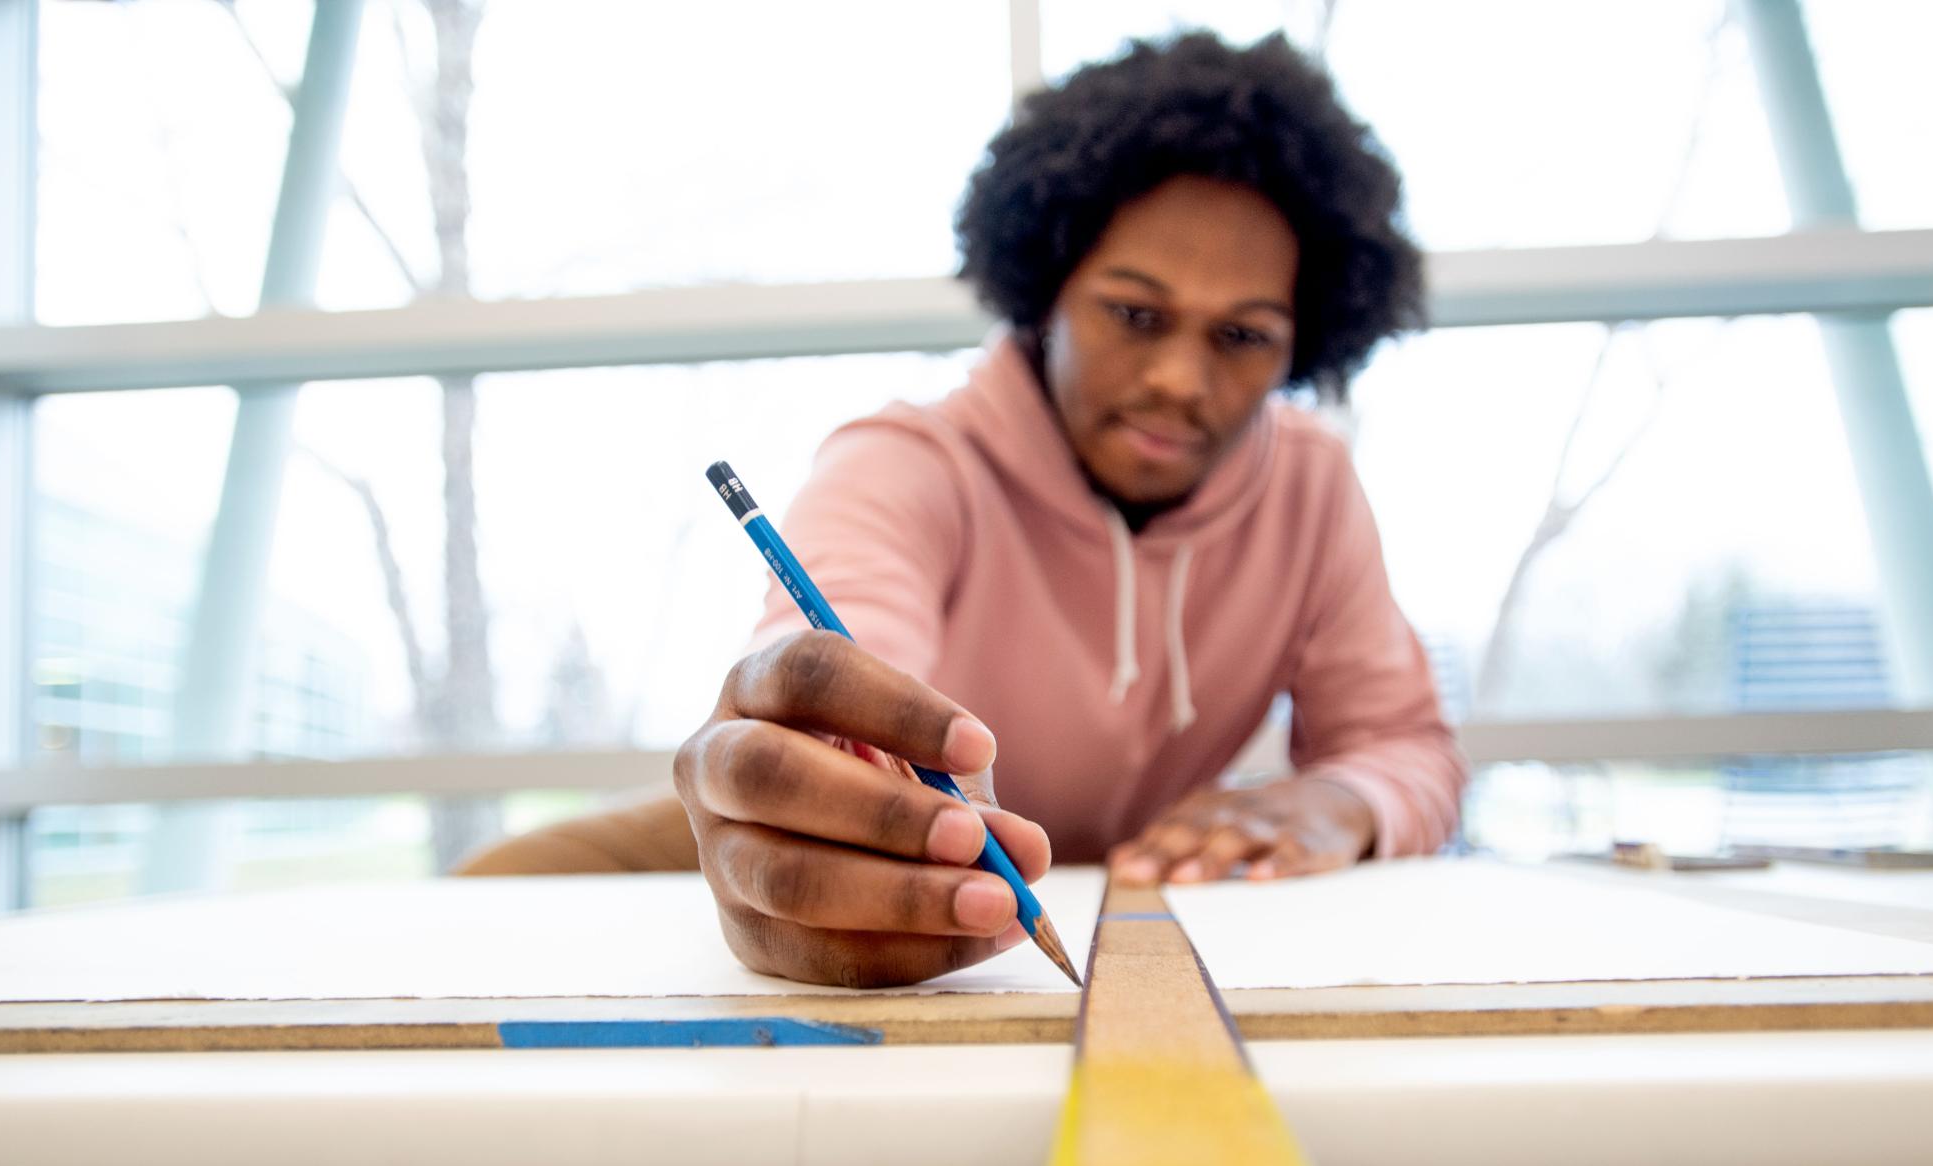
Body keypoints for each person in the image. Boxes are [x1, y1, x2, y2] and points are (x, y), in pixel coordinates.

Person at [461, 30, 1467, 987]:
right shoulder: (904, 463)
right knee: (486, 900)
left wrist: (1344, 802)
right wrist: (820, 749)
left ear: (1307, 340)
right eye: (1133, 314)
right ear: (1045, 287)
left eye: (1241, 335)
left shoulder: (1311, 488)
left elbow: (1404, 744)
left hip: (1128, 897)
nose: (1176, 378)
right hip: (844, 852)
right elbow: (832, 695)